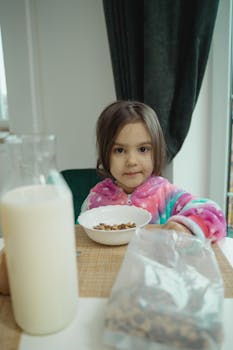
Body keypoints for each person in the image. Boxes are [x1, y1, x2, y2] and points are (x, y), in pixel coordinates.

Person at [80, 100, 226, 242]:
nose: (131, 161)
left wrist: (185, 226)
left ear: (156, 152)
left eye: (143, 149)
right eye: (119, 150)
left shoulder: (167, 195)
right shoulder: (94, 199)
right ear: (105, 154)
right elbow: (79, 237)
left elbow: (214, 214)